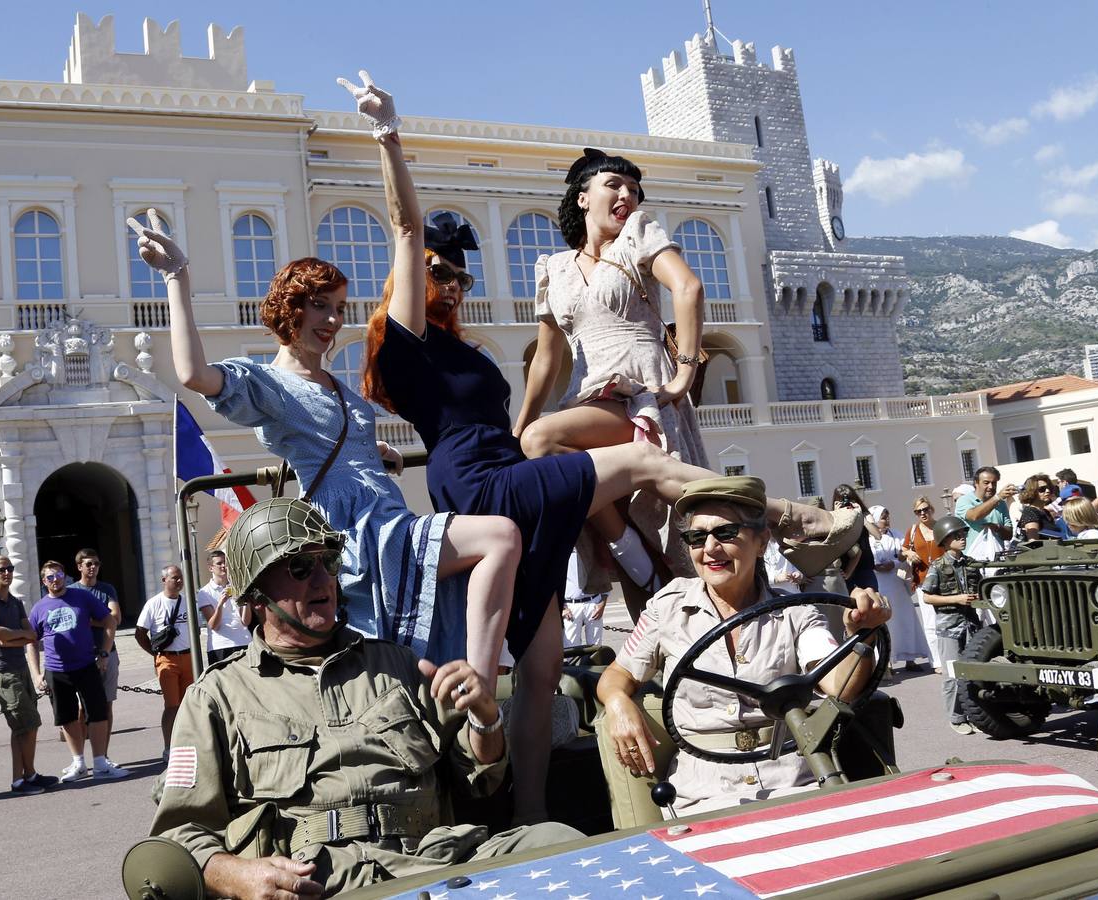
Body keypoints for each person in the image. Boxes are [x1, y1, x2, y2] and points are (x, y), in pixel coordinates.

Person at [343, 71, 862, 823]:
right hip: (485, 489)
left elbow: (541, 379)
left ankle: (528, 818)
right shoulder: (404, 346)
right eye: (437, 272)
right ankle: (794, 520)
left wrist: (526, 428)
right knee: (643, 463)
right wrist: (389, 136)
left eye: (460, 274)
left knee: (544, 666)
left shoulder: (465, 348)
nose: (450, 283)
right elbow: (403, 228)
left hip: (512, 480)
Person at [129, 223, 519, 694]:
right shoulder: (268, 384)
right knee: (498, 536)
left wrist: (373, 452)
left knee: (415, 656)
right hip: (354, 529)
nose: (333, 320)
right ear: (290, 307)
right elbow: (193, 374)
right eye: (320, 305)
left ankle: (472, 698)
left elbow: (338, 441)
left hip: (387, 514)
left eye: (338, 308)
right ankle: (482, 682)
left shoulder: (339, 387)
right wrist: (177, 277)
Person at [150, 497, 582, 898]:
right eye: (300, 568)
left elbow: (479, 779)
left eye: (329, 562)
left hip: (433, 861)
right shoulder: (217, 696)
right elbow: (179, 833)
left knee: (561, 844)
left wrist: (485, 720)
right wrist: (240, 876)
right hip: (319, 883)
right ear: (256, 593)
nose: (323, 579)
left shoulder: (397, 664)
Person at [595, 476, 890, 815]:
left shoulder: (794, 612)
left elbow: (842, 687)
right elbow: (617, 674)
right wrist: (616, 703)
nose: (709, 549)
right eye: (696, 537)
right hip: (702, 792)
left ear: (762, 541)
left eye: (726, 533)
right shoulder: (669, 609)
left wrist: (861, 635)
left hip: (793, 781)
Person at [514, 147, 707, 595]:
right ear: (583, 198)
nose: (628, 195)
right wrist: (519, 425)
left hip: (642, 392)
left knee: (544, 441)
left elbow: (689, 287)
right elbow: (547, 358)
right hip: (588, 393)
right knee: (639, 572)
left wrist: (684, 374)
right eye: (614, 184)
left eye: (634, 189)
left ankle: (635, 551)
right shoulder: (554, 268)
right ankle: (643, 574)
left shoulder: (638, 234)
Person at [27, 561, 128, 781]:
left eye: (59, 574)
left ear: (65, 576)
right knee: (67, 717)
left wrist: (104, 652)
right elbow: (31, 641)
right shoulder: (39, 608)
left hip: (86, 664)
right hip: (56, 669)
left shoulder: (82, 597)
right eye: (50, 577)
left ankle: (100, 763)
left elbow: (110, 621)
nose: (56, 580)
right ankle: (79, 763)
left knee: (98, 712)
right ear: (44, 582)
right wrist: (36, 674)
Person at [0, 555, 56, 795]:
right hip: (3, 672)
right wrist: (15, 636)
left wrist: (9, 638)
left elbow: (31, 634)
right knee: (29, 722)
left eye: (10, 568)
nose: (7, 573)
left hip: (20, 667)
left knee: (20, 727)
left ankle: (25, 776)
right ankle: (23, 778)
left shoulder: (15, 601)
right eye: (2, 569)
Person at [135, 565, 215, 759]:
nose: (179, 581)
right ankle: (169, 747)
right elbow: (140, 633)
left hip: (189, 658)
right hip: (167, 660)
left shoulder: (188, 602)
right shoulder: (154, 603)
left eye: (180, 578)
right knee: (172, 705)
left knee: (190, 705)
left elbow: (195, 629)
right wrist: (154, 653)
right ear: (164, 580)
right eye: (174, 578)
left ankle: (191, 744)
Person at [919, 516, 982, 736]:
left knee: (973, 672)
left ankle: (973, 714)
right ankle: (956, 718)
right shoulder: (938, 566)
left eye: (963, 534)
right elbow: (927, 597)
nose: (962, 538)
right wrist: (956, 599)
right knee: (953, 675)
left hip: (971, 625)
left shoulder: (971, 563)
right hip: (949, 627)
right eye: (957, 535)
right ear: (945, 541)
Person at [867, 505, 930, 672]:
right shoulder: (869, 539)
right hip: (880, 584)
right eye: (882, 517)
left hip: (897, 582)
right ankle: (887, 662)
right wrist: (876, 566)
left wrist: (893, 563)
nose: (886, 520)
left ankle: (910, 658)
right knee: (887, 623)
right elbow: (866, 560)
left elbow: (906, 553)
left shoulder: (897, 535)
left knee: (905, 620)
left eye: (887, 516)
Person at [71, 548, 121, 745]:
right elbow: (73, 621)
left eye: (96, 563)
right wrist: (103, 619)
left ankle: (104, 754)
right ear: (79, 567)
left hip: (109, 652)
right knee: (83, 708)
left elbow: (116, 618)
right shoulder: (72, 591)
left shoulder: (107, 589)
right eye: (89, 564)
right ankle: (82, 755)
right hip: (82, 656)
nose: (93, 567)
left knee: (106, 706)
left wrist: (89, 620)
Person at [901, 497, 944, 670]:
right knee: (930, 623)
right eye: (918, 511)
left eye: (925, 509)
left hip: (944, 580)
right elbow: (903, 549)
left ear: (931, 509)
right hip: (923, 581)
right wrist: (908, 553)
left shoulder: (941, 526)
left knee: (948, 620)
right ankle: (936, 662)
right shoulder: (912, 530)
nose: (923, 513)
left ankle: (952, 656)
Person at [200, 549, 251, 666]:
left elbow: (245, 621)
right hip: (221, 646)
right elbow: (213, 625)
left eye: (225, 563)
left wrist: (246, 601)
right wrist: (220, 604)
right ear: (210, 568)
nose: (223, 566)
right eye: (219, 563)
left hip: (244, 641)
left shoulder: (237, 587)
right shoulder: (205, 592)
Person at [955, 466, 1015, 553]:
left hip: (997, 560)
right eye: (986, 483)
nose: (991, 486)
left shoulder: (1001, 503)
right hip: (972, 561)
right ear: (976, 483)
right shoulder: (964, 500)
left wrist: (997, 527)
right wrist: (997, 497)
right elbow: (973, 516)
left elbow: (1009, 535)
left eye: (994, 483)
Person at [833, 484, 878, 592]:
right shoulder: (833, 516)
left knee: (873, 603)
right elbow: (833, 538)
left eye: (850, 500)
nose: (847, 504)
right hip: (845, 568)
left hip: (865, 568)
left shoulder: (864, 514)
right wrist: (837, 515)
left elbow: (877, 534)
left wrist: (860, 516)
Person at [561, 548, 607, 648]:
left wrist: (603, 602)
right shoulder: (560, 549)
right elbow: (553, 581)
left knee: (596, 645)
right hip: (570, 606)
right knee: (570, 646)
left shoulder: (590, 546)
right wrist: (562, 607)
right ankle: (572, 664)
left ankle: (594, 663)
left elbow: (603, 574)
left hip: (594, 602)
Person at [1016, 474, 1066, 541]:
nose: (1047, 491)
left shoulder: (1046, 512)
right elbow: (1033, 543)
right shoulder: (1030, 512)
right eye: (1042, 489)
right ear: (1032, 492)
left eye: (1049, 488)